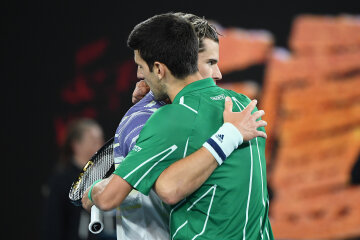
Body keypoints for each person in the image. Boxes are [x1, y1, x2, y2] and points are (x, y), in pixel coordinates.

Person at [82, 13, 273, 239]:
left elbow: (158, 190)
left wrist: (92, 190)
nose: (139, 76)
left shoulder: (163, 119)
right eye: (211, 63)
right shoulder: (243, 105)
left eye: (142, 67)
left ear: (160, 68)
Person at [112, 12, 223, 240]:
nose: (218, 74)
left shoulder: (181, 113)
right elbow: (170, 188)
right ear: (185, 61)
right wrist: (230, 135)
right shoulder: (145, 121)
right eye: (210, 63)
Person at [42, 118, 110, 240]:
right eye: (94, 141)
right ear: (76, 145)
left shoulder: (106, 177)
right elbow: (53, 225)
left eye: (101, 140)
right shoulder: (61, 180)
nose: (101, 145)